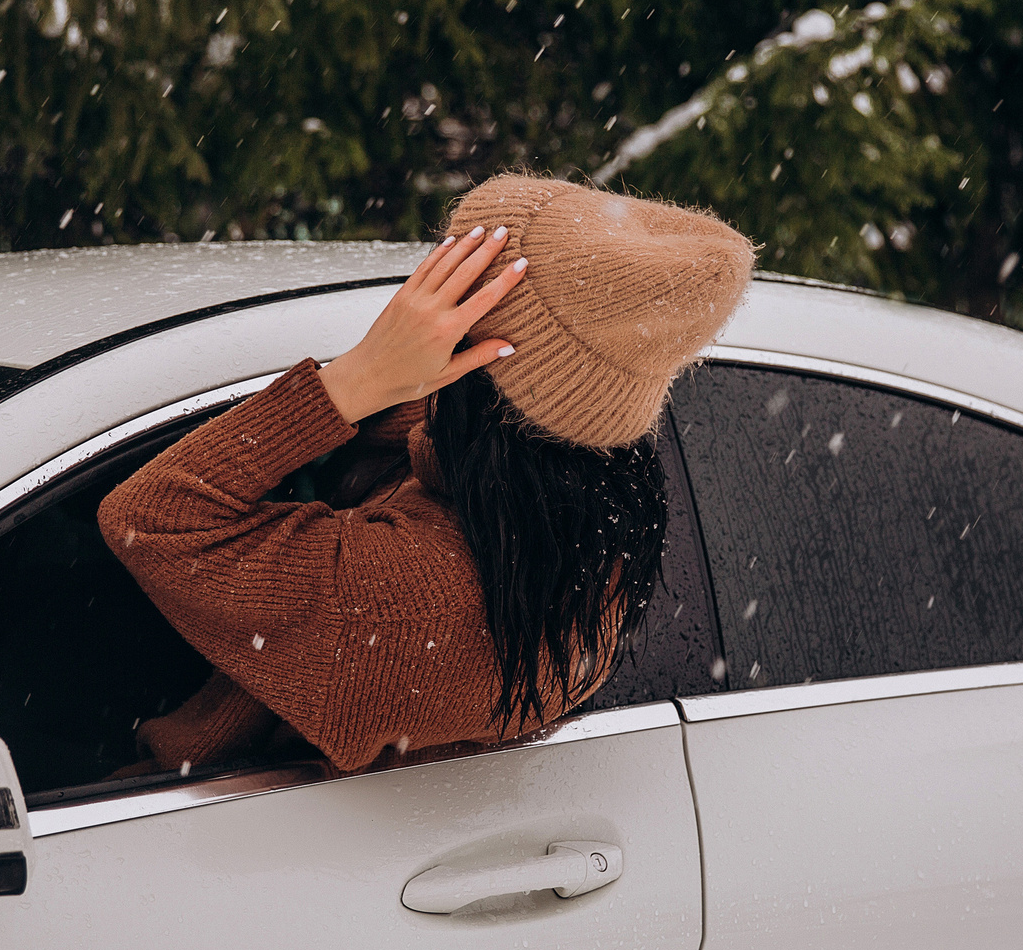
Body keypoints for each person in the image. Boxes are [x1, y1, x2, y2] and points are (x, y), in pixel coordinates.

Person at [99, 174, 755, 778]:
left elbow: (149, 518)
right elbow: (423, 428)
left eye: (455, 296)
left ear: (475, 368)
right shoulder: (582, 518)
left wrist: (356, 378)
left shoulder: (402, 599)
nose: (419, 304)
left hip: (187, 846)